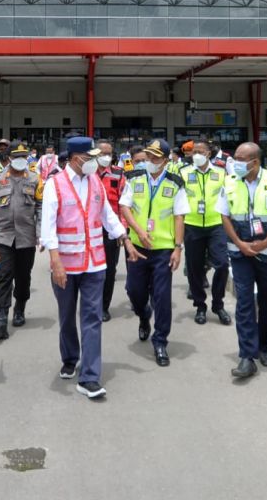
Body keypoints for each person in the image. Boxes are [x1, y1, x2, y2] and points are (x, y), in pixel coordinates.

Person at [41, 136, 134, 399]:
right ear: (75, 158)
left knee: (92, 318)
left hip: (95, 263)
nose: (95, 162)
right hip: (66, 265)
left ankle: (90, 377)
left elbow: (107, 216)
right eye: (90, 157)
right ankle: (70, 357)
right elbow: (47, 226)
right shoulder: (54, 184)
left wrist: (125, 239)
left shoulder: (96, 182)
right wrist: (55, 261)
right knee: (67, 316)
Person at [219, 141, 267, 379]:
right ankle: (247, 356)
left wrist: (265, 244)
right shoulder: (230, 181)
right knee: (243, 303)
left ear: (255, 161)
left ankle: (264, 347)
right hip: (240, 253)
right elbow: (224, 215)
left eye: (241, 159)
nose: (236, 163)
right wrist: (241, 243)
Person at [120, 139, 188, 367]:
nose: (150, 160)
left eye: (155, 157)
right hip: (138, 247)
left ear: (166, 161)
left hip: (163, 250)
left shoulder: (175, 183)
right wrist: (137, 231)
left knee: (162, 297)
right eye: (148, 156)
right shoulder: (134, 178)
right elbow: (124, 207)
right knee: (133, 290)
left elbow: (180, 217)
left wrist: (178, 248)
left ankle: (160, 342)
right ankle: (143, 315)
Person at [0, 141, 40, 340]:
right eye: (16, 157)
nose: (20, 161)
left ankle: (20, 307)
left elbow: (40, 207)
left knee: (23, 279)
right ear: (8, 159)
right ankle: (1, 320)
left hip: (26, 237)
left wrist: (41, 232)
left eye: (24, 157)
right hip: (3, 236)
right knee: (3, 277)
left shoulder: (35, 179)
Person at [181, 139, 232, 326]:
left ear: (209, 154)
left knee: (222, 265)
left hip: (216, 224)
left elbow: (231, 194)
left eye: (201, 152)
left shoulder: (222, 171)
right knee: (194, 269)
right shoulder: (184, 172)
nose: (196, 155)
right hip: (192, 225)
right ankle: (200, 306)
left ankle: (218, 304)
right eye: (194, 151)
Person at [97, 139, 129, 322]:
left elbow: (123, 203)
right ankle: (91, 303)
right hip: (91, 229)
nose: (106, 157)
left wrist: (122, 230)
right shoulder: (87, 172)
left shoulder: (118, 174)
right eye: (102, 154)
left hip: (112, 229)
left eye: (109, 154)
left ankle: (104, 306)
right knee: (92, 269)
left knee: (109, 270)